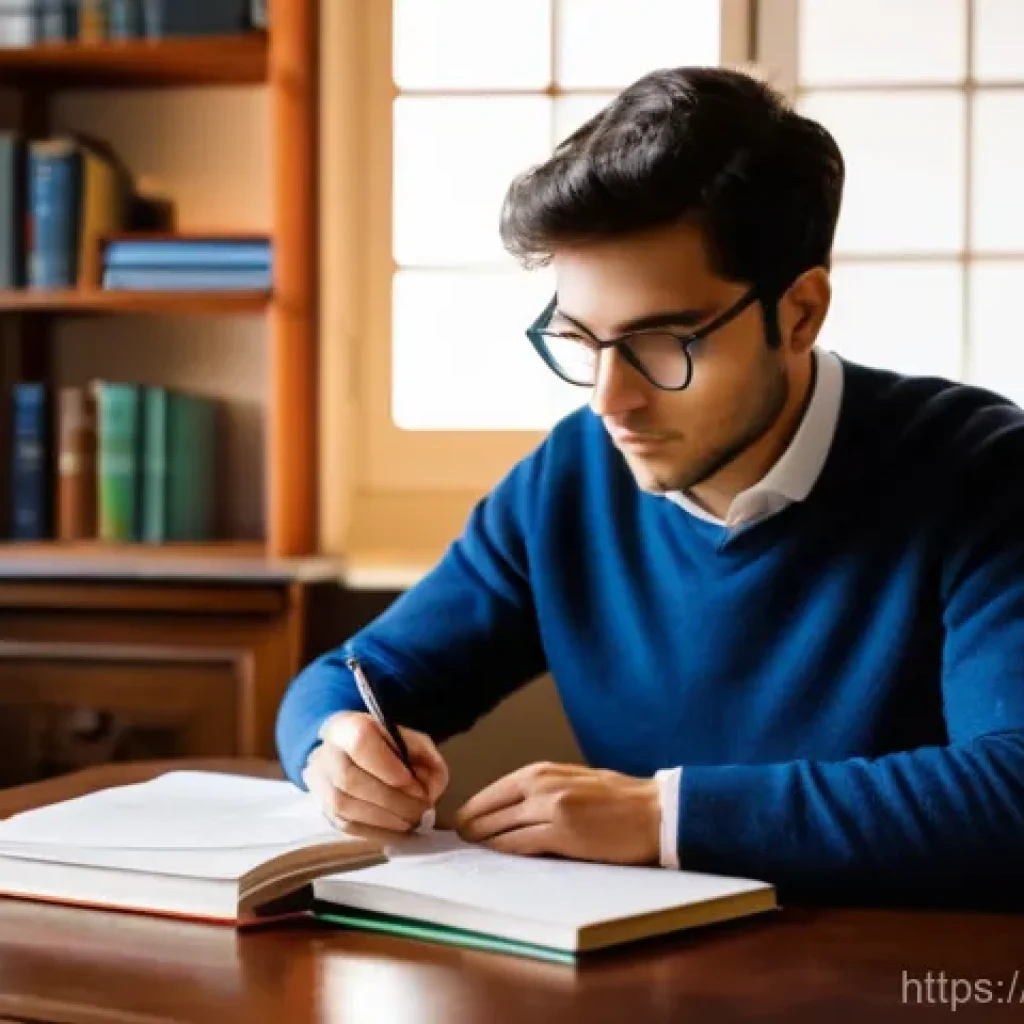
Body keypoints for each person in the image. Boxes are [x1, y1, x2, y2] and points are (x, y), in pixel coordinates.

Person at [276, 66, 1024, 905]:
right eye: (579, 339)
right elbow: (356, 676)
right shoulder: (572, 478)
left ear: (801, 313)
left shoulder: (984, 473)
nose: (610, 399)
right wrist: (335, 746)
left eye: (663, 342)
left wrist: (662, 816)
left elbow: (1014, 790)